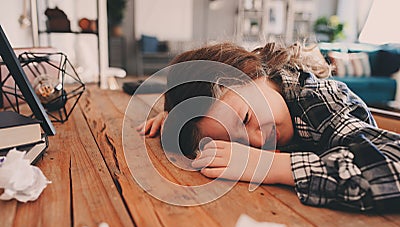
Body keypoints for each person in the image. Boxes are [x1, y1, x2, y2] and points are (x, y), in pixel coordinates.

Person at [137, 42, 400, 212]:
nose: (259, 142)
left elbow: (390, 169)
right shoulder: (242, 104)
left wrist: (268, 166)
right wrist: (175, 119)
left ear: (252, 73)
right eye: (238, 144)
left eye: (245, 119)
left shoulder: (321, 99)